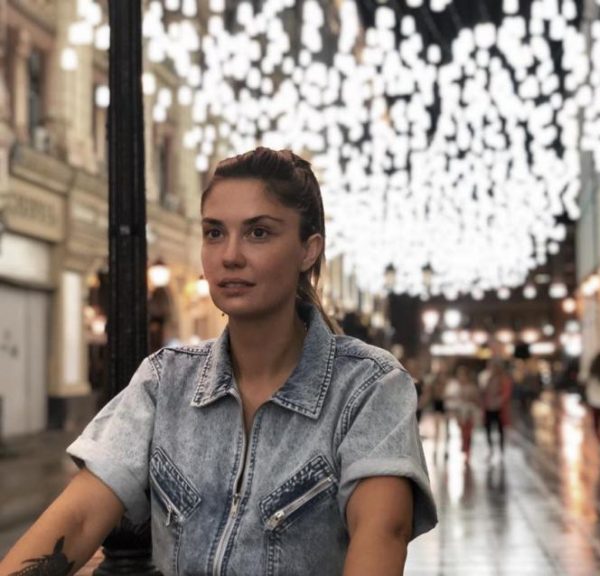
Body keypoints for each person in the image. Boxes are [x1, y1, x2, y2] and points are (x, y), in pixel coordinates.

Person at [0, 148, 437, 575]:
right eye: (214, 233)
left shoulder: (368, 386)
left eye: (258, 233)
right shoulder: (165, 381)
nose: (230, 255)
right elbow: (78, 520)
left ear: (308, 250)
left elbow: (383, 533)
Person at [480, 360, 512, 454]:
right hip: (488, 407)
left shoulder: (503, 379)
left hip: (499, 408)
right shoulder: (486, 378)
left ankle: (501, 450)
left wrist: (500, 401)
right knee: (488, 429)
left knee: (500, 430)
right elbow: (483, 391)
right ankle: (490, 448)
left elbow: (506, 393)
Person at [453, 366, 481, 463]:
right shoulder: (457, 387)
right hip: (461, 413)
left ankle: (467, 452)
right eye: (460, 375)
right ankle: (465, 449)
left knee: (468, 434)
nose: (461, 377)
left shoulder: (471, 387)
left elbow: (477, 401)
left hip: (469, 414)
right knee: (462, 433)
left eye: (463, 375)